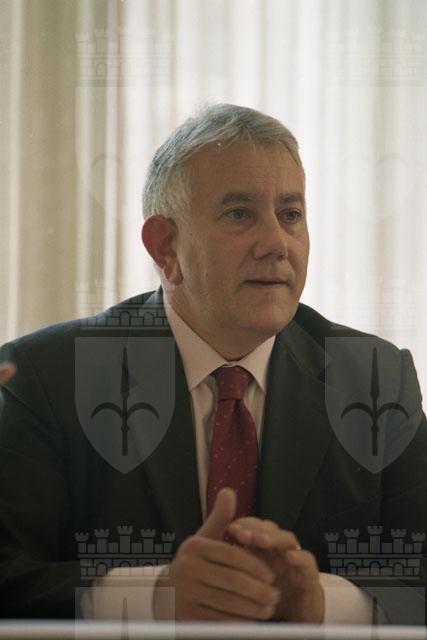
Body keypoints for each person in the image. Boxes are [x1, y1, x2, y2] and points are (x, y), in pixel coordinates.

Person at [0, 104, 426, 624]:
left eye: (291, 214)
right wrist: (153, 597)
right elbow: (8, 571)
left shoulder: (377, 380)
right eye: (240, 214)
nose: (277, 243)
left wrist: (324, 602)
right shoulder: (46, 378)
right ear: (166, 246)